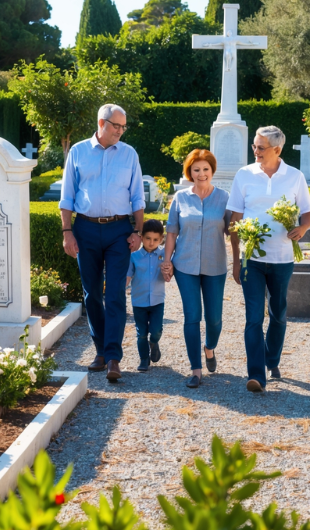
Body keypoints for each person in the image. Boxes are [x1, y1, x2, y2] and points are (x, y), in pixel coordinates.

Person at [59, 103, 145, 381]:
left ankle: (113, 358)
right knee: (92, 293)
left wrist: (138, 231)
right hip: (85, 229)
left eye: (123, 127)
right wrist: (67, 232)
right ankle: (100, 351)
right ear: (101, 123)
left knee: (116, 293)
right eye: (116, 125)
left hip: (120, 230)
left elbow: (137, 197)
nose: (120, 131)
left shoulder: (129, 154)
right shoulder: (78, 152)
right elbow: (68, 195)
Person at [227, 126, 310, 393]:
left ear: (277, 149)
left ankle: (271, 359)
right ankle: (256, 375)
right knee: (253, 317)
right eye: (254, 146)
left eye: (260, 147)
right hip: (251, 259)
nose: (255, 151)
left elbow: (307, 213)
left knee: (278, 314)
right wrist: (236, 260)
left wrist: (302, 229)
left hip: (282, 259)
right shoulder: (244, 175)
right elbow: (234, 221)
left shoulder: (295, 176)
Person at [161, 150, 230, 388]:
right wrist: (167, 261)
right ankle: (196, 369)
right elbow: (172, 232)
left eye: (205, 169)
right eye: (196, 169)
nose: (201, 174)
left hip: (215, 265)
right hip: (185, 265)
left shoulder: (224, 198)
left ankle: (209, 348)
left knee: (214, 319)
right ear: (189, 172)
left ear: (212, 171)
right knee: (192, 316)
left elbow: (234, 231)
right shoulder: (180, 198)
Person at [126, 219, 166, 372]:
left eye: (156, 239)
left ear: (161, 239)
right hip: (139, 302)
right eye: (148, 238)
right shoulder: (134, 257)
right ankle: (144, 359)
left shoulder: (163, 254)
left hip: (157, 301)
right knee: (141, 333)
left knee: (156, 331)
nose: (151, 242)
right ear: (141, 237)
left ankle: (154, 342)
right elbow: (128, 276)